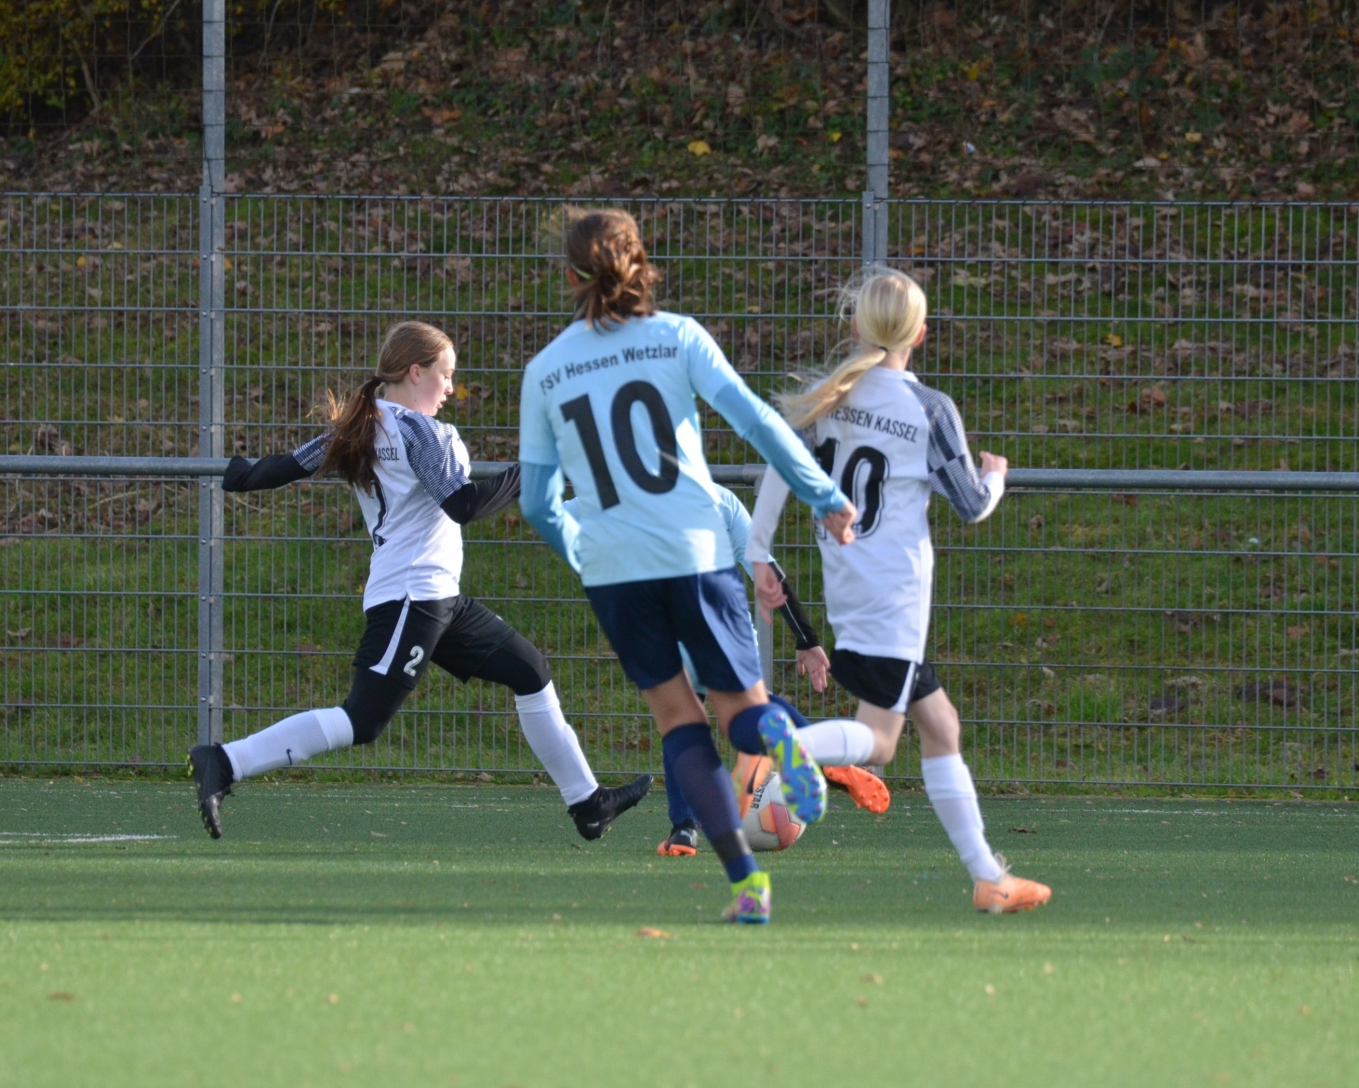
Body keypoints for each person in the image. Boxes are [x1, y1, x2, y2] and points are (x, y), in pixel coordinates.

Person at [518, 208, 858, 925]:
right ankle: (784, 740)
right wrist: (824, 495)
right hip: (696, 552)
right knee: (742, 713)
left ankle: (747, 885)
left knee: (680, 722)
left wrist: (583, 551)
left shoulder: (545, 370)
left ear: (571, 276)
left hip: (616, 570)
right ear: (641, 264)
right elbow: (758, 421)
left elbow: (538, 504)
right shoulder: (677, 336)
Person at [187, 320, 650, 840]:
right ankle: (225, 761)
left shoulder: (361, 425)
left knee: (530, 671)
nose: (451, 387)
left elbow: (288, 466)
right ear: (415, 371)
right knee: (363, 720)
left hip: (438, 598)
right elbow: (464, 505)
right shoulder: (417, 430)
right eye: (445, 374)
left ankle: (588, 803)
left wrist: (239, 476)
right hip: (413, 597)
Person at [747, 268, 1052, 914]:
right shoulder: (928, 409)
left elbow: (781, 462)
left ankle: (988, 877)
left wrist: (758, 551)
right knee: (880, 742)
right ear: (921, 334)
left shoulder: (831, 399)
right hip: (896, 597)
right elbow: (971, 505)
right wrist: (996, 474)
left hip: (850, 587)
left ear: (857, 325)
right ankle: (792, 746)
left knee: (940, 725)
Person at [653, 482, 888, 859]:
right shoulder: (721, 498)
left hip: (674, 625)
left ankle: (684, 827)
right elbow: (767, 572)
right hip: (729, 619)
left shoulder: (627, 497)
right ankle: (821, 754)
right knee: (752, 705)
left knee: (680, 719)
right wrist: (806, 638)